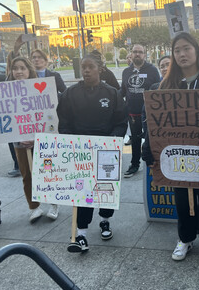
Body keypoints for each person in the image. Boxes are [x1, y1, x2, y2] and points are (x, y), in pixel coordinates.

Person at [142, 32, 199, 265]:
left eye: (186, 48)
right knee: (181, 197)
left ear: (196, 51)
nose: (181, 54)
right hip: (177, 155)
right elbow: (154, 121)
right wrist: (148, 148)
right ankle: (185, 238)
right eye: (177, 50)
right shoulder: (166, 84)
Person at [57, 54, 127, 253]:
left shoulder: (112, 93)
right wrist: (71, 141)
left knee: (105, 190)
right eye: (83, 67)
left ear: (100, 69)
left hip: (106, 150)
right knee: (82, 193)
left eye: (90, 67)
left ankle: (105, 221)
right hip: (81, 152)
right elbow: (64, 121)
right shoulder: (70, 94)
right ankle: (81, 234)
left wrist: (112, 140)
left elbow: (121, 122)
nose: (86, 70)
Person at [7, 56, 60, 222]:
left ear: (29, 70)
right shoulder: (7, 90)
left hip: (42, 140)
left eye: (22, 68)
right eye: (15, 68)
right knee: (27, 175)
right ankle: (34, 207)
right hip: (20, 141)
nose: (19, 71)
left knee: (47, 172)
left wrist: (37, 137)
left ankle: (53, 204)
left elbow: (50, 115)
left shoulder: (42, 88)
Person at [121, 44, 160, 177]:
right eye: (135, 52)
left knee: (152, 140)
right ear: (131, 54)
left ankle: (155, 164)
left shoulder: (152, 70)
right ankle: (134, 164)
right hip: (132, 113)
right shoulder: (126, 71)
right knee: (135, 141)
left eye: (140, 52)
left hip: (150, 113)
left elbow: (158, 89)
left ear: (145, 54)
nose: (137, 54)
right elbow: (123, 91)